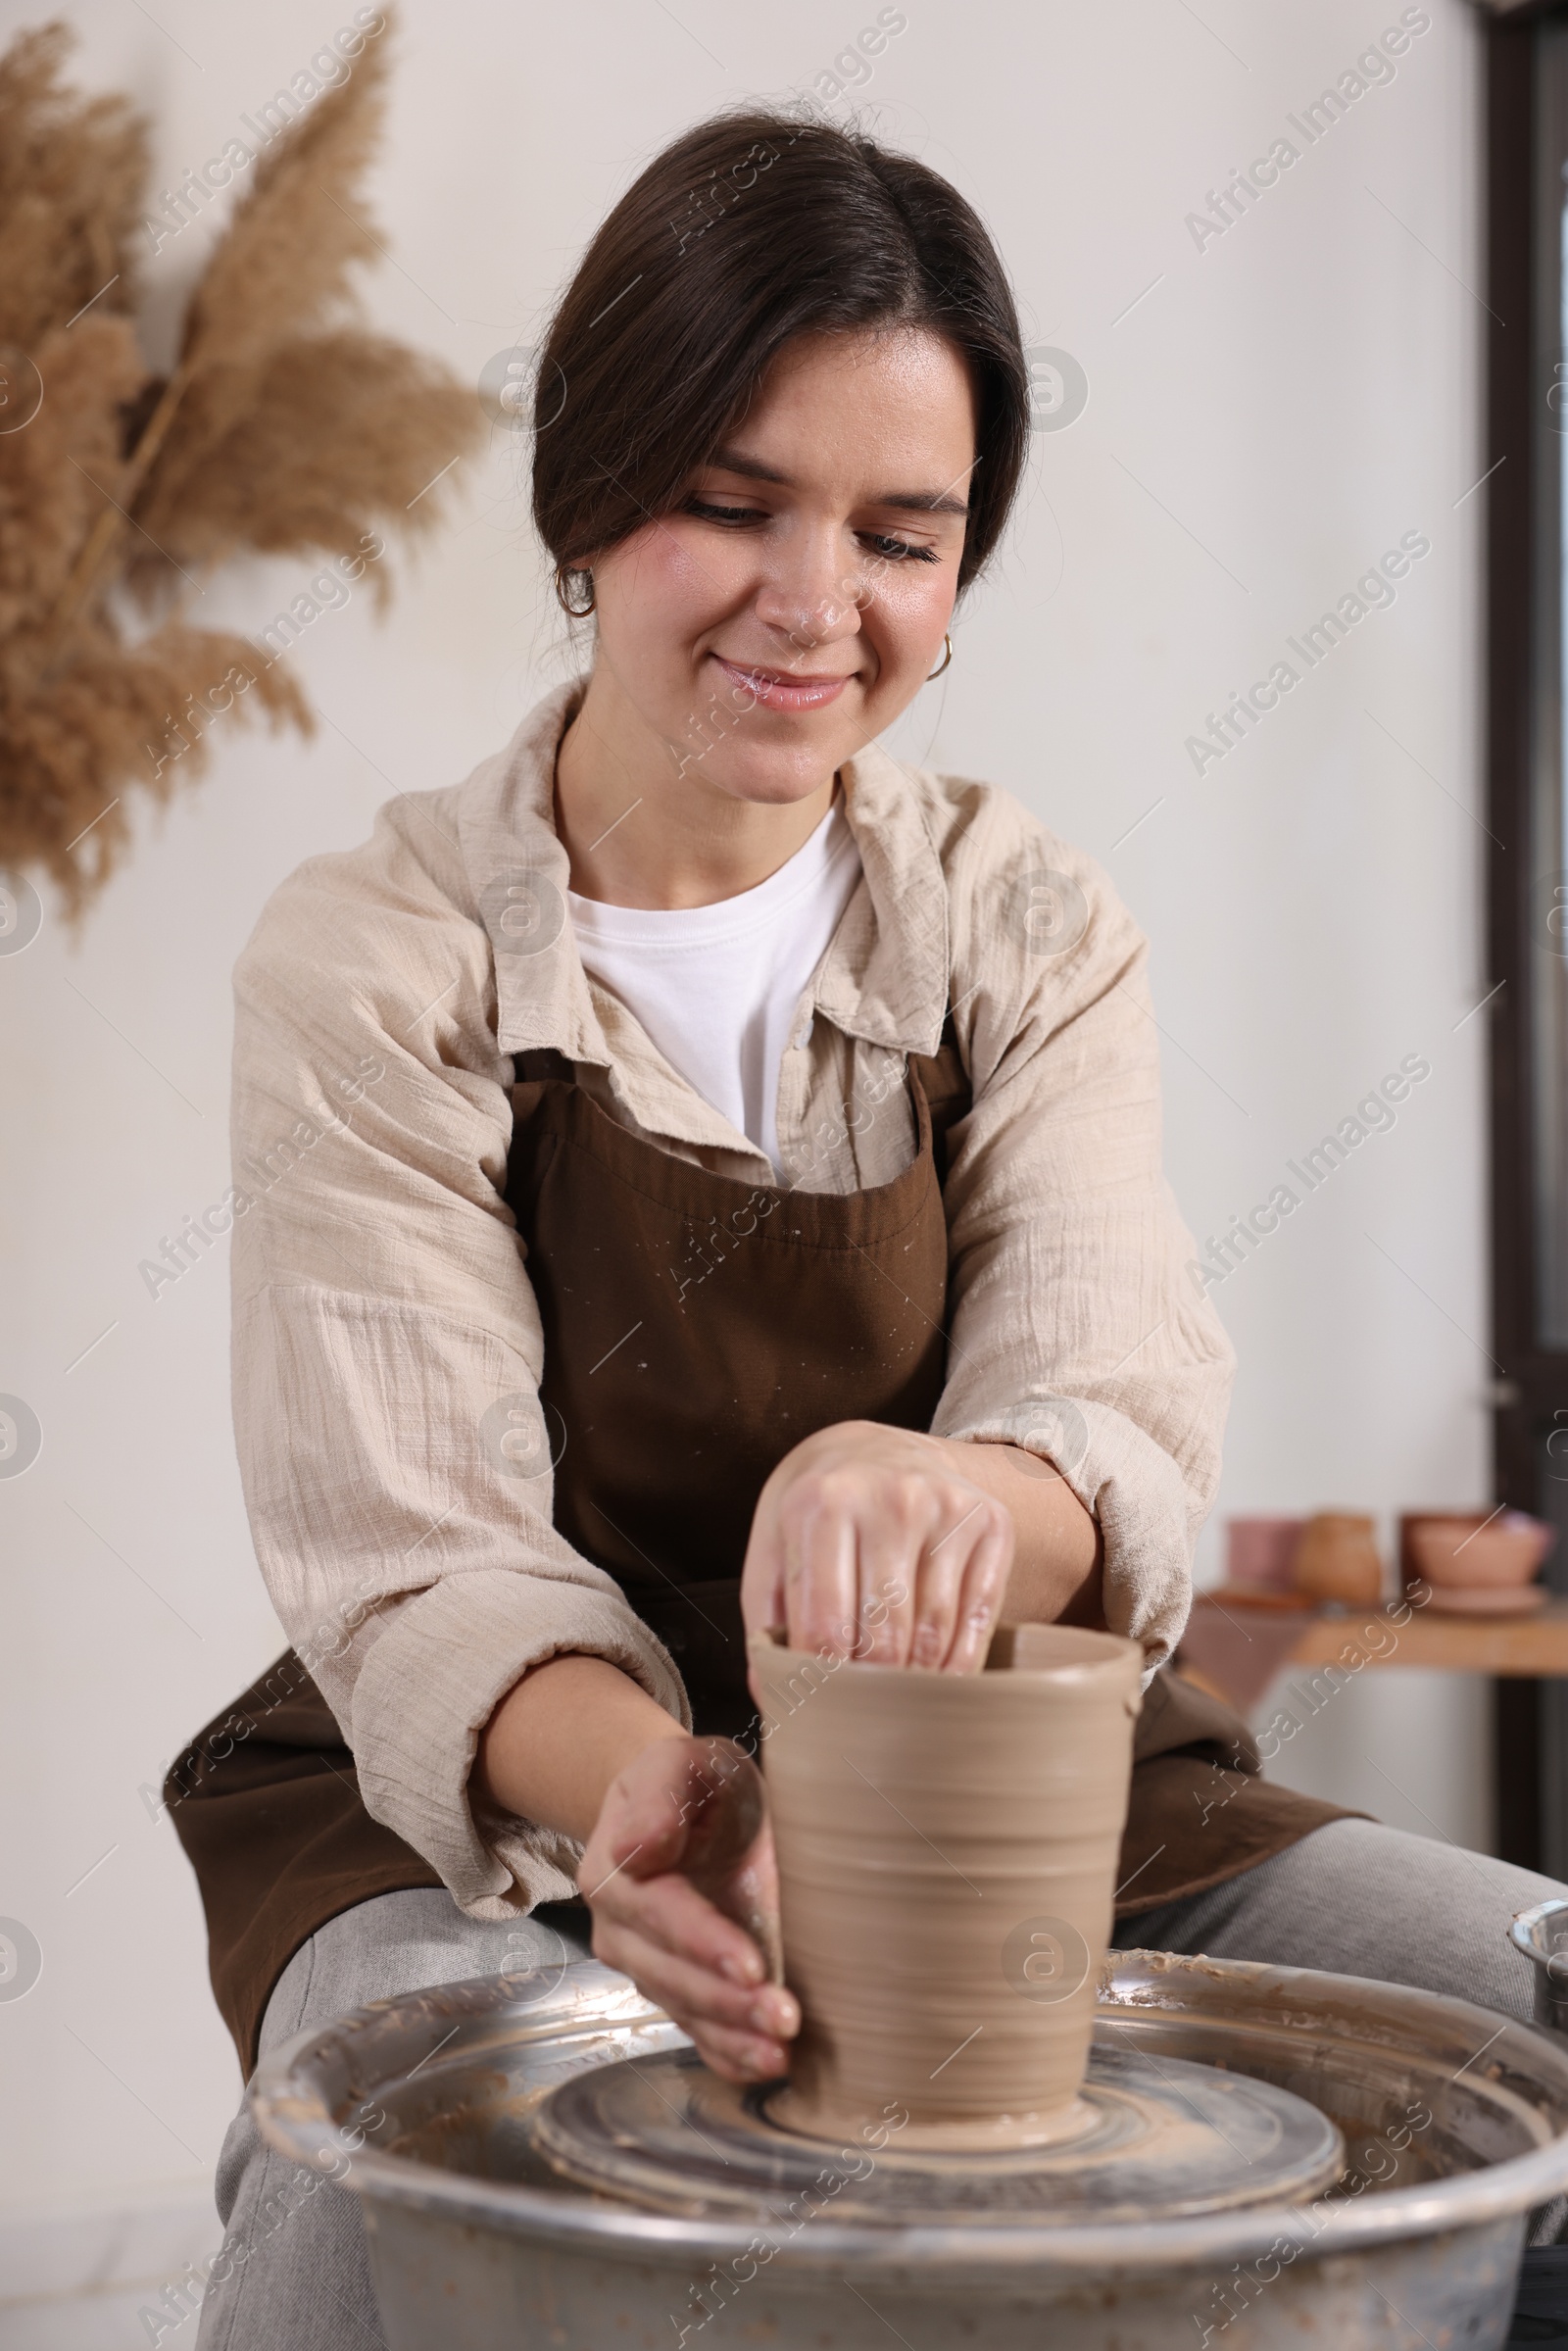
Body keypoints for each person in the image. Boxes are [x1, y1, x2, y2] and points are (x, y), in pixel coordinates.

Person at [176, 107, 1567, 2351]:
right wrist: (658, 1801)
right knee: (390, 2163)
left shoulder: (1019, 919)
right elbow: (419, 1561)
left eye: (898, 536)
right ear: (584, 500)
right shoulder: (376, 958)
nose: (813, 604)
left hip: (1009, 1793)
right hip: (529, 1817)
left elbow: (1098, 1397)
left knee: (1520, 2020)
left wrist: (940, 1485)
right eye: (730, 503)